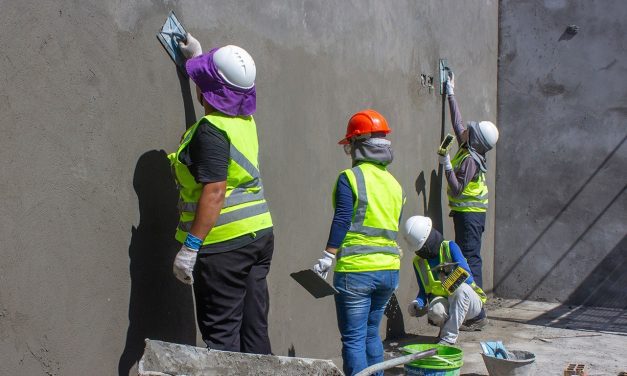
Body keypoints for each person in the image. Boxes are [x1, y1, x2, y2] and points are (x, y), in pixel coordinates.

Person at [169, 34, 274, 354]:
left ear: (208, 90)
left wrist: (190, 247)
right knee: (254, 328)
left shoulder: (211, 131)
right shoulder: (245, 122)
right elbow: (218, 105)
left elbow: (214, 192)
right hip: (259, 237)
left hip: (224, 246)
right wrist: (197, 59)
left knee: (222, 337)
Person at [312, 109, 404, 376]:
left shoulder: (350, 178)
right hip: (389, 271)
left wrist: (328, 256)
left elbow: (342, 219)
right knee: (371, 335)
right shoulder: (395, 185)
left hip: (357, 271)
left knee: (353, 339)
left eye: (350, 145)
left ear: (357, 144)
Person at [438, 71, 498, 329]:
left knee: (470, 258)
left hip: (470, 215)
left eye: (470, 132)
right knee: (466, 256)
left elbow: (457, 188)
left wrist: (447, 164)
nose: (465, 132)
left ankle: (478, 313)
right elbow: (458, 123)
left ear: (475, 140)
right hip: (469, 215)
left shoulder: (472, 159)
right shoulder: (471, 147)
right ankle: (472, 308)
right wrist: (451, 92)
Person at [403, 215, 487, 345]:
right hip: (448, 302)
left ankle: (448, 338)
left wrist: (449, 279)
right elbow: (423, 291)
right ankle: (444, 332)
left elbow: (468, 278)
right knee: (435, 310)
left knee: (461, 290)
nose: (419, 253)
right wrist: (417, 303)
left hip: (470, 303)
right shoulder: (418, 263)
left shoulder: (450, 247)